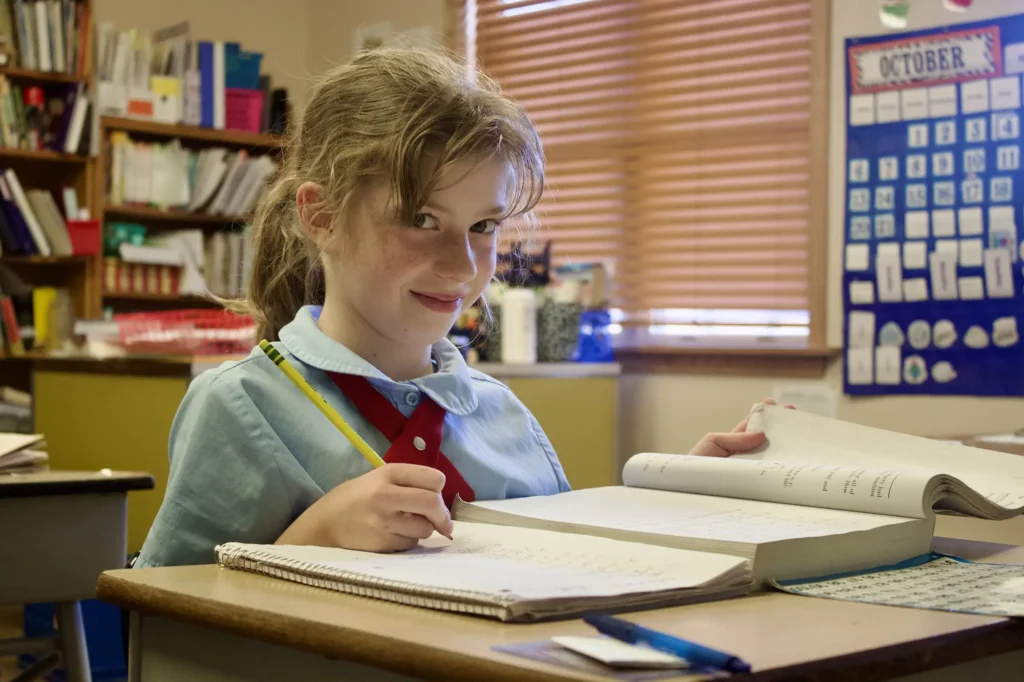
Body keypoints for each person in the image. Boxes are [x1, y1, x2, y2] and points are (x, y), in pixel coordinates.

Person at [134, 48, 780, 568]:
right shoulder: (242, 404)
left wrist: (679, 504)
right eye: (420, 219)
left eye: (484, 225)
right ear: (321, 216)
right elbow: (159, 630)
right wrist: (313, 537)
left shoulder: (501, 412)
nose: (464, 265)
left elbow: (564, 567)